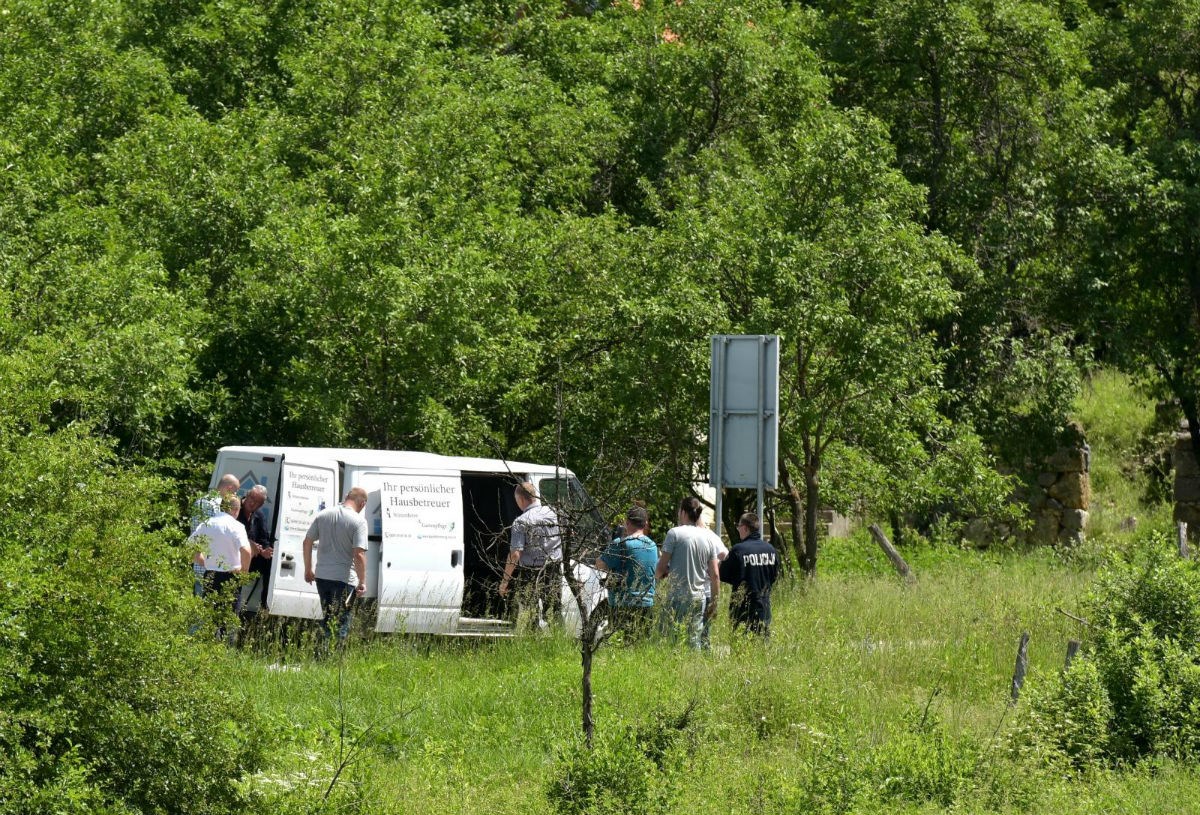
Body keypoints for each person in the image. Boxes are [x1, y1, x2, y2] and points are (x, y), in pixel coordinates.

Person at [303, 487, 369, 654]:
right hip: (344, 579)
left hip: (322, 577)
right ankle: (332, 660)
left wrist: (308, 569)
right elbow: (359, 555)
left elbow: (307, 542)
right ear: (362, 503)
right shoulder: (359, 521)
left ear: (347, 496)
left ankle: (321, 654)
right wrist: (362, 582)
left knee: (328, 617)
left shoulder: (324, 514)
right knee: (341, 621)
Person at [655, 496, 720, 649]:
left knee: (671, 638)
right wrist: (715, 603)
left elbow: (660, 567)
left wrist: (658, 577)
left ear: (683, 512)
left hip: (676, 596)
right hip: (699, 597)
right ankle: (694, 669)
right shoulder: (708, 537)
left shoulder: (674, 534)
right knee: (694, 640)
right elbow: (715, 575)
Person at [498, 482, 563, 631]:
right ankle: (559, 642)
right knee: (554, 612)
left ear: (520, 499)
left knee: (531, 614)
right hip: (553, 571)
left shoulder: (521, 521)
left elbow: (515, 555)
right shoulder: (554, 514)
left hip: (530, 573)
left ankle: (534, 642)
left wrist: (504, 582)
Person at [189, 494, 251, 637]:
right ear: (236, 510)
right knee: (228, 618)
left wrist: (205, 562)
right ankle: (224, 649)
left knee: (210, 615)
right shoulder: (237, 526)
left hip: (210, 574)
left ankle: (209, 647)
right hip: (231, 575)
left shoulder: (206, 523)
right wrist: (243, 571)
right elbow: (246, 551)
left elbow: (191, 550)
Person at [595, 506, 658, 642]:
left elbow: (600, 564)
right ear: (645, 523)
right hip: (646, 604)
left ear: (627, 522)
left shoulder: (621, 543)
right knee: (640, 647)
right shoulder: (652, 546)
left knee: (620, 646)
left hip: (622, 604)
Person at [719, 512, 779, 637]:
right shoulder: (770, 549)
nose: (737, 529)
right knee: (762, 643)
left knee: (740, 645)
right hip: (764, 604)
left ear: (745, 528)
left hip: (742, 607)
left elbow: (723, 574)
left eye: (738, 526)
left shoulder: (738, 550)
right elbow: (774, 576)